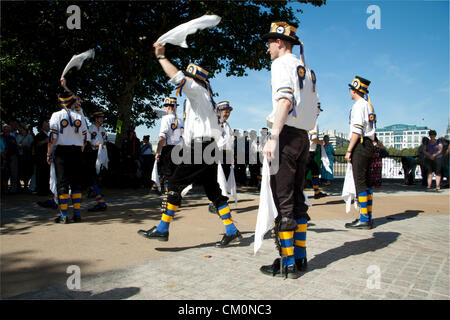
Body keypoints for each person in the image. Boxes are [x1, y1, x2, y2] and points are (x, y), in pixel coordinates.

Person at [138, 42, 242, 247]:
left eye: (188, 78)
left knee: (174, 185)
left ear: (194, 79)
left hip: (200, 147)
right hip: (207, 147)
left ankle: (162, 228)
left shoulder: (197, 91)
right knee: (213, 190)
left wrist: (161, 57)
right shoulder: (207, 97)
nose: (185, 82)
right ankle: (231, 230)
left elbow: (176, 77)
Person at [259, 22, 319, 279]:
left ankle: (289, 264)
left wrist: (273, 136)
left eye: (271, 42)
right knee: (297, 201)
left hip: (286, 136)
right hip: (303, 138)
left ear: (281, 43)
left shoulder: (281, 64)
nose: (268, 46)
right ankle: (301, 257)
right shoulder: (307, 69)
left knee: (284, 202)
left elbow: (285, 100)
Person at [49, 78, 88, 223]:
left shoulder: (56, 115)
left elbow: (52, 137)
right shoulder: (80, 116)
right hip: (77, 151)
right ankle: (77, 214)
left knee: (62, 183)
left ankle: (64, 215)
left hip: (62, 152)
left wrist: (48, 153)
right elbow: (85, 138)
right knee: (76, 183)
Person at [344, 76, 376, 229]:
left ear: (355, 90)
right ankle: (368, 215)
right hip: (369, 144)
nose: (350, 91)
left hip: (361, 145)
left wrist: (349, 150)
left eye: (351, 89)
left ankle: (364, 218)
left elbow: (357, 131)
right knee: (367, 182)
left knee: (360, 182)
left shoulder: (358, 105)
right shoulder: (368, 105)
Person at [209, 101, 234, 213]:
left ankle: (220, 200)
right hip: (217, 153)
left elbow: (230, 141)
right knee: (217, 178)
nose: (227, 113)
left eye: (228, 111)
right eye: (225, 111)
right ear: (218, 111)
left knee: (225, 177)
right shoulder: (214, 123)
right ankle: (212, 203)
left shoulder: (227, 125)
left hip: (227, 154)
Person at [86, 111, 108, 212]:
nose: (102, 119)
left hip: (101, 153)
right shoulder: (90, 128)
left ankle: (94, 190)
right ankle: (95, 193)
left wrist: (103, 145)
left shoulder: (103, 129)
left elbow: (105, 139)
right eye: (100, 118)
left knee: (98, 174)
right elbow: (88, 141)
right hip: (92, 153)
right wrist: (95, 145)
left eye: (102, 117)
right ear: (95, 119)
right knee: (92, 174)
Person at [306, 103, 327, 199]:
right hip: (309, 152)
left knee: (315, 170)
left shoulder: (308, 120)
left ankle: (317, 191)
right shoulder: (314, 121)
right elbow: (313, 138)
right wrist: (321, 143)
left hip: (308, 151)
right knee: (302, 174)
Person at [34, 120, 51, 196]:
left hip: (47, 157)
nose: (48, 126)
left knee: (47, 174)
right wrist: (45, 141)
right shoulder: (39, 135)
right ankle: (41, 190)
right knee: (41, 174)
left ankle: (47, 189)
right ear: (43, 127)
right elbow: (36, 144)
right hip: (41, 158)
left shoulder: (49, 134)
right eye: (47, 125)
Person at [0, 124, 19, 194]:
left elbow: (15, 147)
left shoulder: (12, 138)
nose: (7, 130)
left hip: (13, 157)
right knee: (5, 174)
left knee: (14, 174)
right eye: (5, 129)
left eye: (8, 129)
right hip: (4, 157)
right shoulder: (1, 137)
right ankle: (4, 189)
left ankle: (13, 189)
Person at [16, 124, 35, 193]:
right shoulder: (18, 136)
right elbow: (16, 144)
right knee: (21, 170)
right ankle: (21, 186)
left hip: (27, 156)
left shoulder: (29, 136)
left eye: (23, 129)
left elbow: (31, 145)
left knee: (27, 170)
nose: (22, 131)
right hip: (20, 156)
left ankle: (26, 185)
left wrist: (24, 146)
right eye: (21, 129)